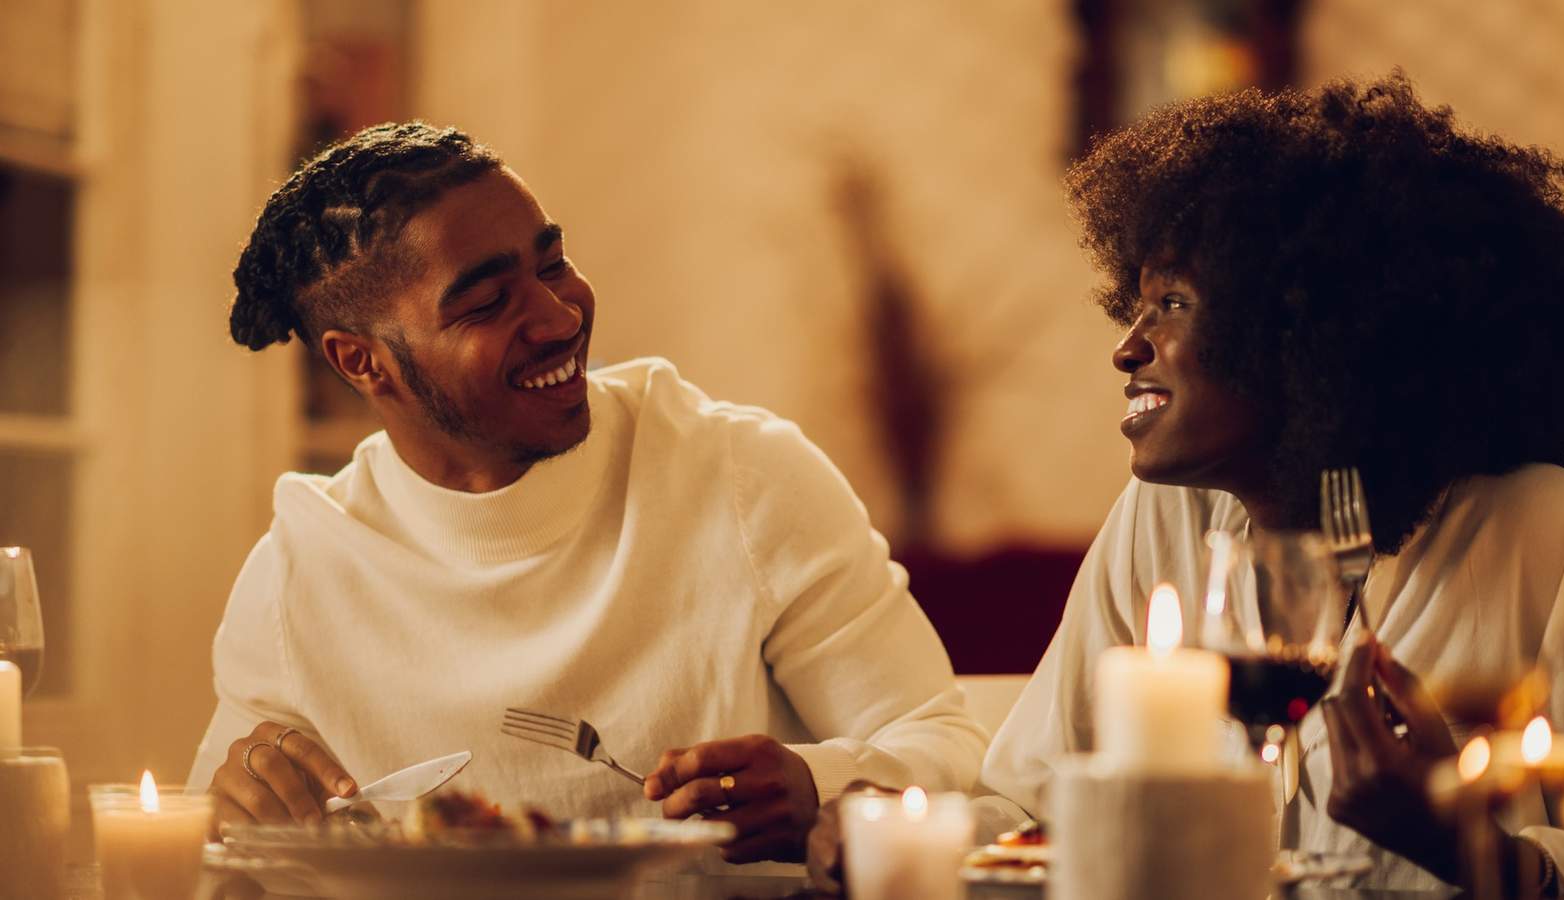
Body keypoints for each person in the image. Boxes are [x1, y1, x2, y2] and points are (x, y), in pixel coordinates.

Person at [816, 73, 1564, 894]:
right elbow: (1034, 803)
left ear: (1307, 335)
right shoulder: (1159, 520)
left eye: (1175, 304)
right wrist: (899, 830)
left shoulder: (1550, 536)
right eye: (1137, 303)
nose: (1127, 346)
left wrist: (1457, 840)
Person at [187, 122, 986, 865]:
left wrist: (818, 781)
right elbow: (224, 839)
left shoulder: (739, 473)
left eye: (553, 262)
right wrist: (236, 804)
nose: (559, 314)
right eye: (488, 302)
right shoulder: (303, 566)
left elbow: (949, 744)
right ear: (364, 362)